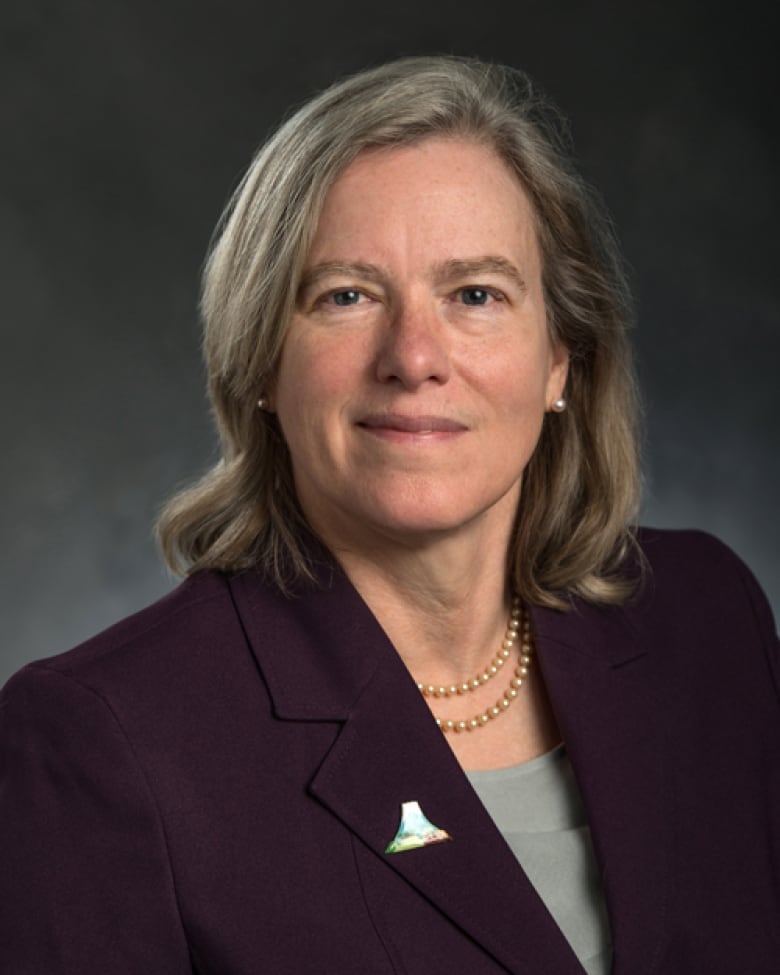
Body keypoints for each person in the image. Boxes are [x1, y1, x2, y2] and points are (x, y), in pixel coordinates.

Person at [1, 56, 778, 975]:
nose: (414, 357)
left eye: (476, 294)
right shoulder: (103, 741)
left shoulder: (705, 617)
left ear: (560, 360)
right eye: (347, 296)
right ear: (260, 365)